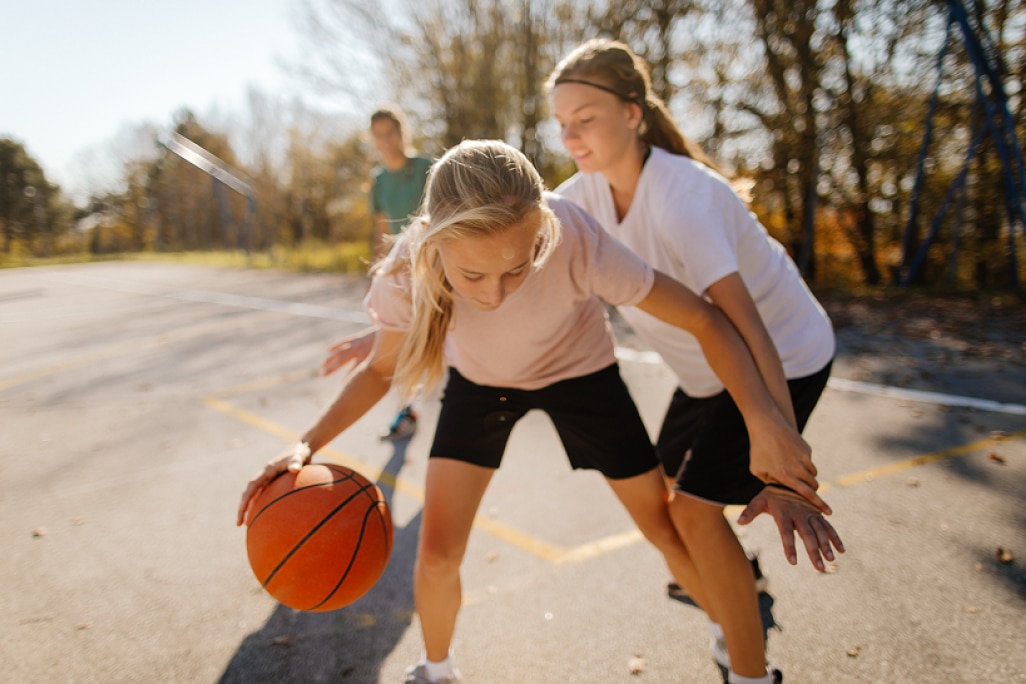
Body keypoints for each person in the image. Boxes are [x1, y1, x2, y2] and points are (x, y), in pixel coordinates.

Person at [238, 140, 837, 684]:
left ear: (542, 233)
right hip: (482, 387)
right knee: (439, 550)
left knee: (664, 526)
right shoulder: (407, 269)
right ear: (435, 239)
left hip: (581, 375)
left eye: (517, 268)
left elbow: (706, 318)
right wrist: (307, 444)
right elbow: (379, 370)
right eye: (473, 274)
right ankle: (436, 671)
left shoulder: (573, 235)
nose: (495, 294)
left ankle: (733, 645)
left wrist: (765, 422)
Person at [547, 38, 843, 684]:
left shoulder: (684, 199)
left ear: (633, 113)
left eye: (586, 119)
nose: (571, 136)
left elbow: (747, 327)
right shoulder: (577, 202)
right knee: (668, 509)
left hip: (784, 355)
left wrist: (778, 446)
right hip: (708, 371)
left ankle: (751, 675)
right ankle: (734, 593)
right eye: (562, 123)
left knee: (692, 513)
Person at [325, 106, 432, 441]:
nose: (387, 141)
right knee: (395, 343)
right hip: (400, 273)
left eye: (391, 133)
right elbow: (382, 229)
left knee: (434, 340)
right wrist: (379, 270)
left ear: (402, 132)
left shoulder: (426, 168)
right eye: (379, 136)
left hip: (431, 265)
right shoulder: (379, 181)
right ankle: (406, 410)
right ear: (372, 141)